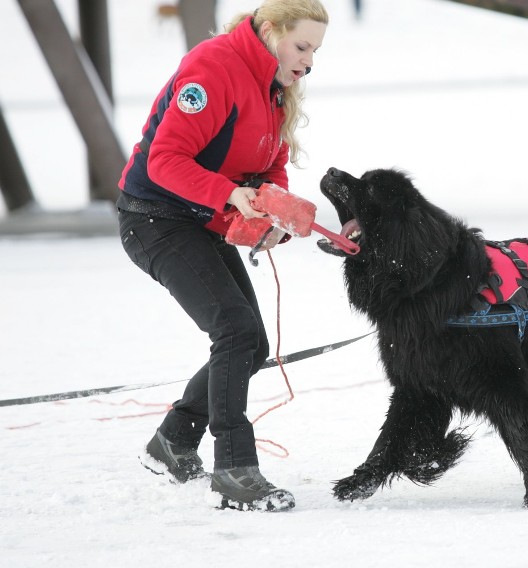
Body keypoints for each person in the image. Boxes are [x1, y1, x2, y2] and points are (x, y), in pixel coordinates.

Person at [116, 0, 328, 512]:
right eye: (302, 46)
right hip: (155, 217)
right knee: (234, 331)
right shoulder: (213, 70)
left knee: (251, 346)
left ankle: (172, 441)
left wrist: (272, 211)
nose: (309, 61)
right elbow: (165, 160)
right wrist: (230, 195)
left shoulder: (273, 84)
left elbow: (271, 162)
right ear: (271, 31)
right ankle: (234, 469)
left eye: (316, 51)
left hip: (204, 220)